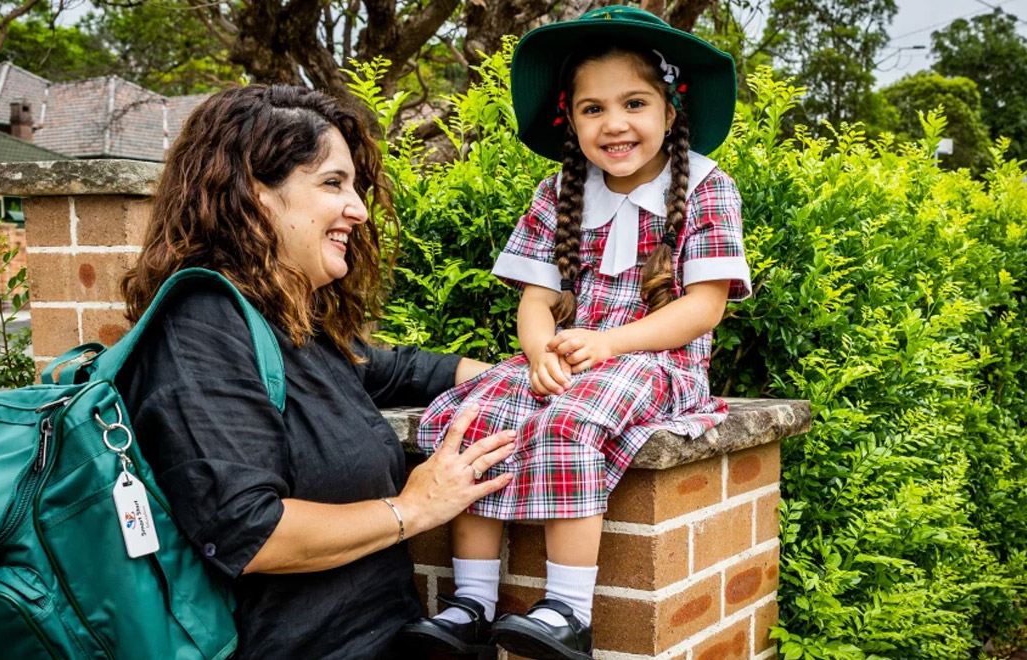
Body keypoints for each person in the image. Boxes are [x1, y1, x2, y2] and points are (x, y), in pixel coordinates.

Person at [115, 84, 519, 660]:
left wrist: (530, 378)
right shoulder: (200, 326)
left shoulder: (288, 324)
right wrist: (416, 507)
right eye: (333, 183)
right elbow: (250, 532)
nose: (357, 209)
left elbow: (394, 369)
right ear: (255, 194)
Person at [400, 7, 752, 660]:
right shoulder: (558, 192)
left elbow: (702, 309)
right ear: (571, 121)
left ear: (671, 112)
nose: (614, 123)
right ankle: (471, 604)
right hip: (571, 356)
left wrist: (608, 344)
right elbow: (536, 304)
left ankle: (568, 609)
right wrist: (538, 354)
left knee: (571, 422)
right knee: (479, 415)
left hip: (656, 363)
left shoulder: (707, 188)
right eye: (593, 109)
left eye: (635, 103)